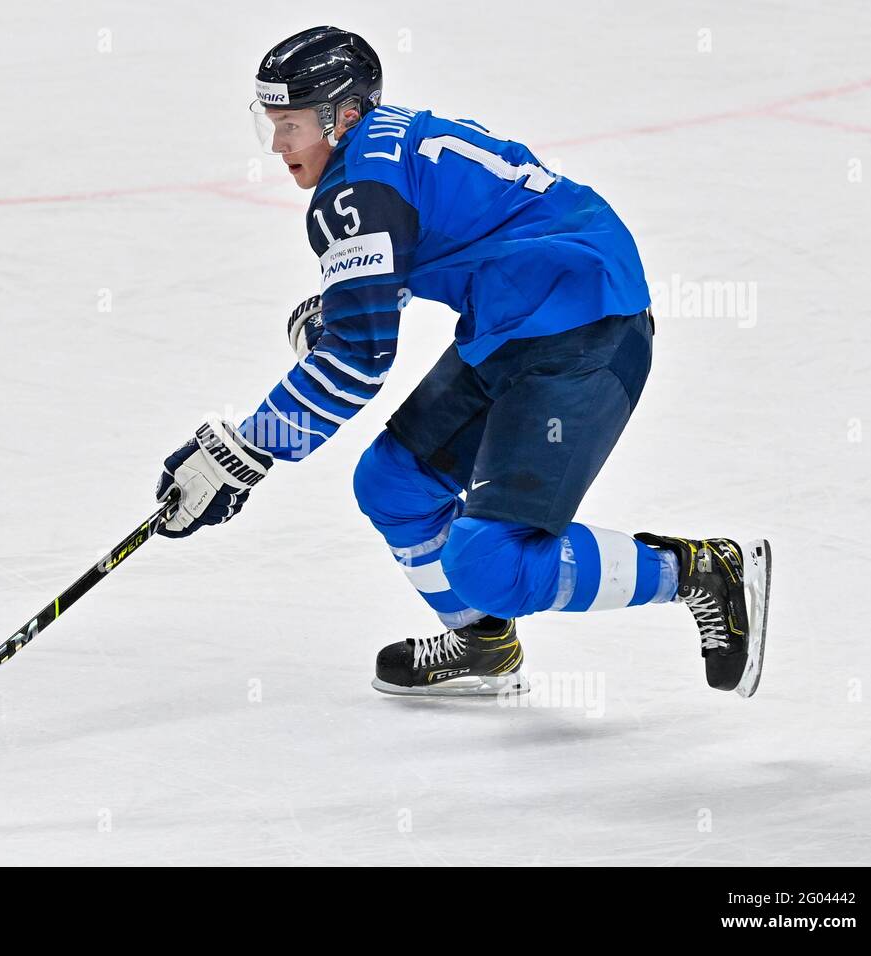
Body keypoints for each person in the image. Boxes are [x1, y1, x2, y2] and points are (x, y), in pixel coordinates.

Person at [152, 26, 770, 698]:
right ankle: (484, 641)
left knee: (491, 564)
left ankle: (702, 571)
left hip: (583, 326)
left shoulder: (356, 190)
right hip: (525, 312)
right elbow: (441, 243)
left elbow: (360, 362)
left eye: (292, 125)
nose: (278, 145)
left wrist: (244, 450)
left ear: (345, 116)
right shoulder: (385, 147)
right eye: (270, 123)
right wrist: (351, 312)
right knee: (395, 484)